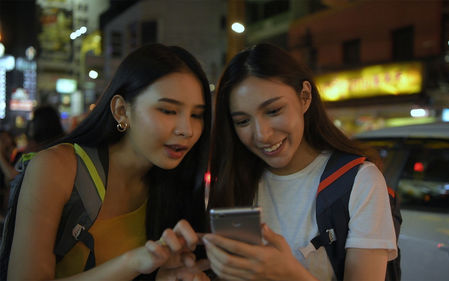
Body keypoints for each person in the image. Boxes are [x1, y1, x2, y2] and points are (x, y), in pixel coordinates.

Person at [7, 44, 212, 281]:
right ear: (121, 110)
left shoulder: (178, 185)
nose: (187, 130)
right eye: (168, 110)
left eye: (197, 115)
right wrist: (132, 263)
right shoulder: (58, 168)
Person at [204, 43, 397, 281]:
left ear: (305, 97)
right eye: (243, 121)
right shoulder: (234, 181)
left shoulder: (359, 180)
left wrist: (289, 275)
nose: (262, 134)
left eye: (273, 111)